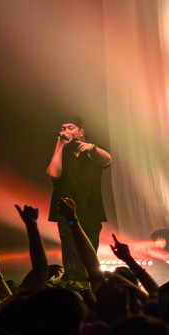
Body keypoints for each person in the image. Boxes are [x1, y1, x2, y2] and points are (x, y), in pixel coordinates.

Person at [46, 116, 111, 283]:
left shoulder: (92, 152)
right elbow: (53, 173)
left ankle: (89, 284)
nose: (66, 131)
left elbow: (107, 160)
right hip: (67, 214)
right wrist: (59, 145)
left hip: (91, 211)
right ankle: (75, 283)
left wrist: (93, 148)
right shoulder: (61, 154)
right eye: (63, 128)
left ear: (81, 132)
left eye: (70, 127)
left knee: (89, 250)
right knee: (70, 250)